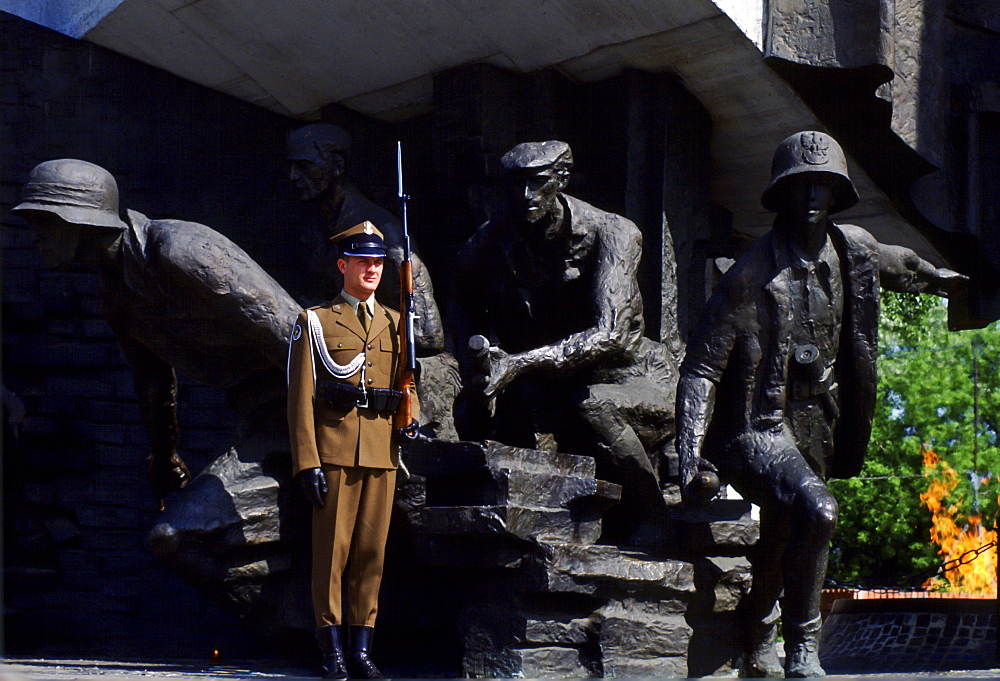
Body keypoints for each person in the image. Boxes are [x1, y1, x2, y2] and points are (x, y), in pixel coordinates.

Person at [675, 131, 966, 677]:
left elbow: (897, 262)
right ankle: (802, 647)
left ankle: (759, 624)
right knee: (818, 511)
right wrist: (690, 457)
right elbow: (700, 370)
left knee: (787, 529)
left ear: (838, 194)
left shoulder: (851, 247)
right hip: (758, 426)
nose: (812, 194)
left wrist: (937, 278)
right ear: (779, 194)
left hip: (821, 420)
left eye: (824, 184)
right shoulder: (748, 278)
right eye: (799, 184)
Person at [12, 159, 300, 510]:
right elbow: (154, 382)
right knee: (177, 537)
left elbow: (291, 332)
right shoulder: (117, 296)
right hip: (264, 413)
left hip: (314, 409)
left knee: (179, 536)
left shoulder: (179, 251)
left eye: (42, 223)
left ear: (77, 219)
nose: (35, 237)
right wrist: (164, 457)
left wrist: (332, 439)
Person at [452, 140, 677, 549]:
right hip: (545, 381)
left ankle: (652, 515)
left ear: (561, 180)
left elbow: (611, 335)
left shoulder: (615, 232)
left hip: (628, 376)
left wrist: (520, 363)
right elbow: (460, 296)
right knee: (472, 411)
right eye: (515, 185)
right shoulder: (491, 238)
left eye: (537, 183)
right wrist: (479, 355)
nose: (525, 197)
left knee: (593, 406)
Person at [286, 221, 417, 679]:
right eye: (363, 262)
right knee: (332, 555)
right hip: (336, 452)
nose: (372, 270)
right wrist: (307, 462)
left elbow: (406, 382)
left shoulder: (397, 323)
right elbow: (300, 397)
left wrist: (410, 417)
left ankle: (362, 648)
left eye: (378, 263)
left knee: (370, 555)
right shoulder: (315, 322)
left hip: (380, 454)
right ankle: (332, 649)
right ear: (343, 265)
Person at [287, 123, 444, 355]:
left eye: (304, 166)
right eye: (291, 166)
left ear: (338, 166)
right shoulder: (314, 230)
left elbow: (428, 336)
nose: (293, 176)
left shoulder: (386, 235)